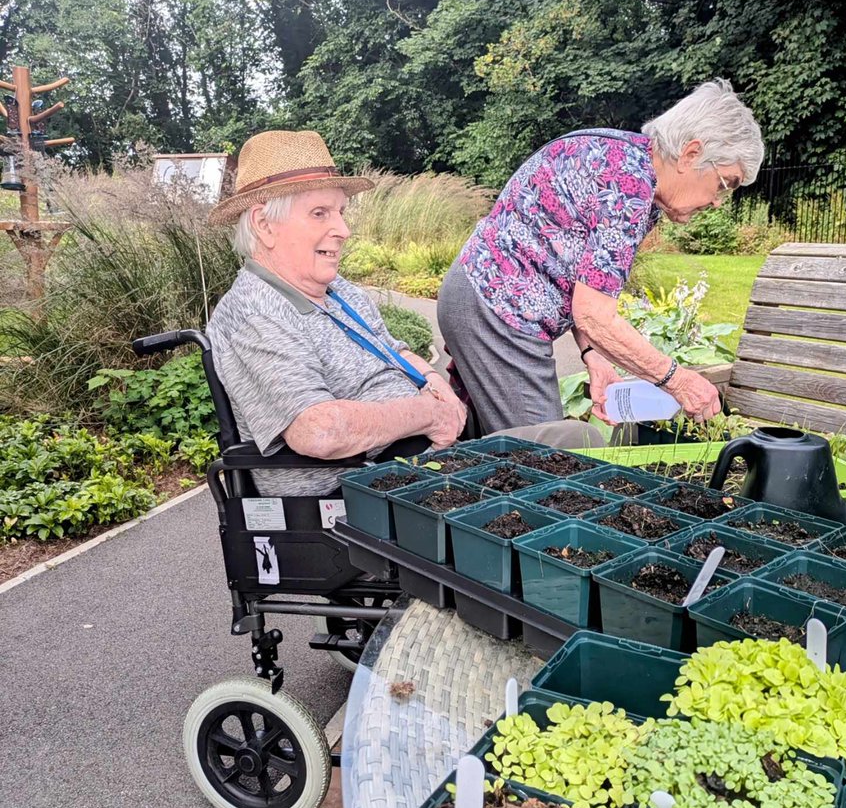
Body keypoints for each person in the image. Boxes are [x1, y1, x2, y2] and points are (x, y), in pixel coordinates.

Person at [206, 130, 601, 500]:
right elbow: (318, 430)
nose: (343, 229)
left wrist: (433, 381)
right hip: (369, 491)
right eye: (320, 213)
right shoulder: (254, 313)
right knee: (574, 455)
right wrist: (428, 414)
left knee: (578, 442)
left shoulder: (338, 291)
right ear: (264, 225)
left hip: (424, 461)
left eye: (340, 212)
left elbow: (393, 350)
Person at [437, 80, 764, 433]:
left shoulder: (628, 162)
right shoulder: (628, 187)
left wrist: (593, 354)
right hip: (497, 312)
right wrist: (678, 380)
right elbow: (594, 314)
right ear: (691, 154)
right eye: (725, 183)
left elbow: (581, 280)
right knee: (544, 454)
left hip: (479, 299)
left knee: (493, 449)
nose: (717, 201)